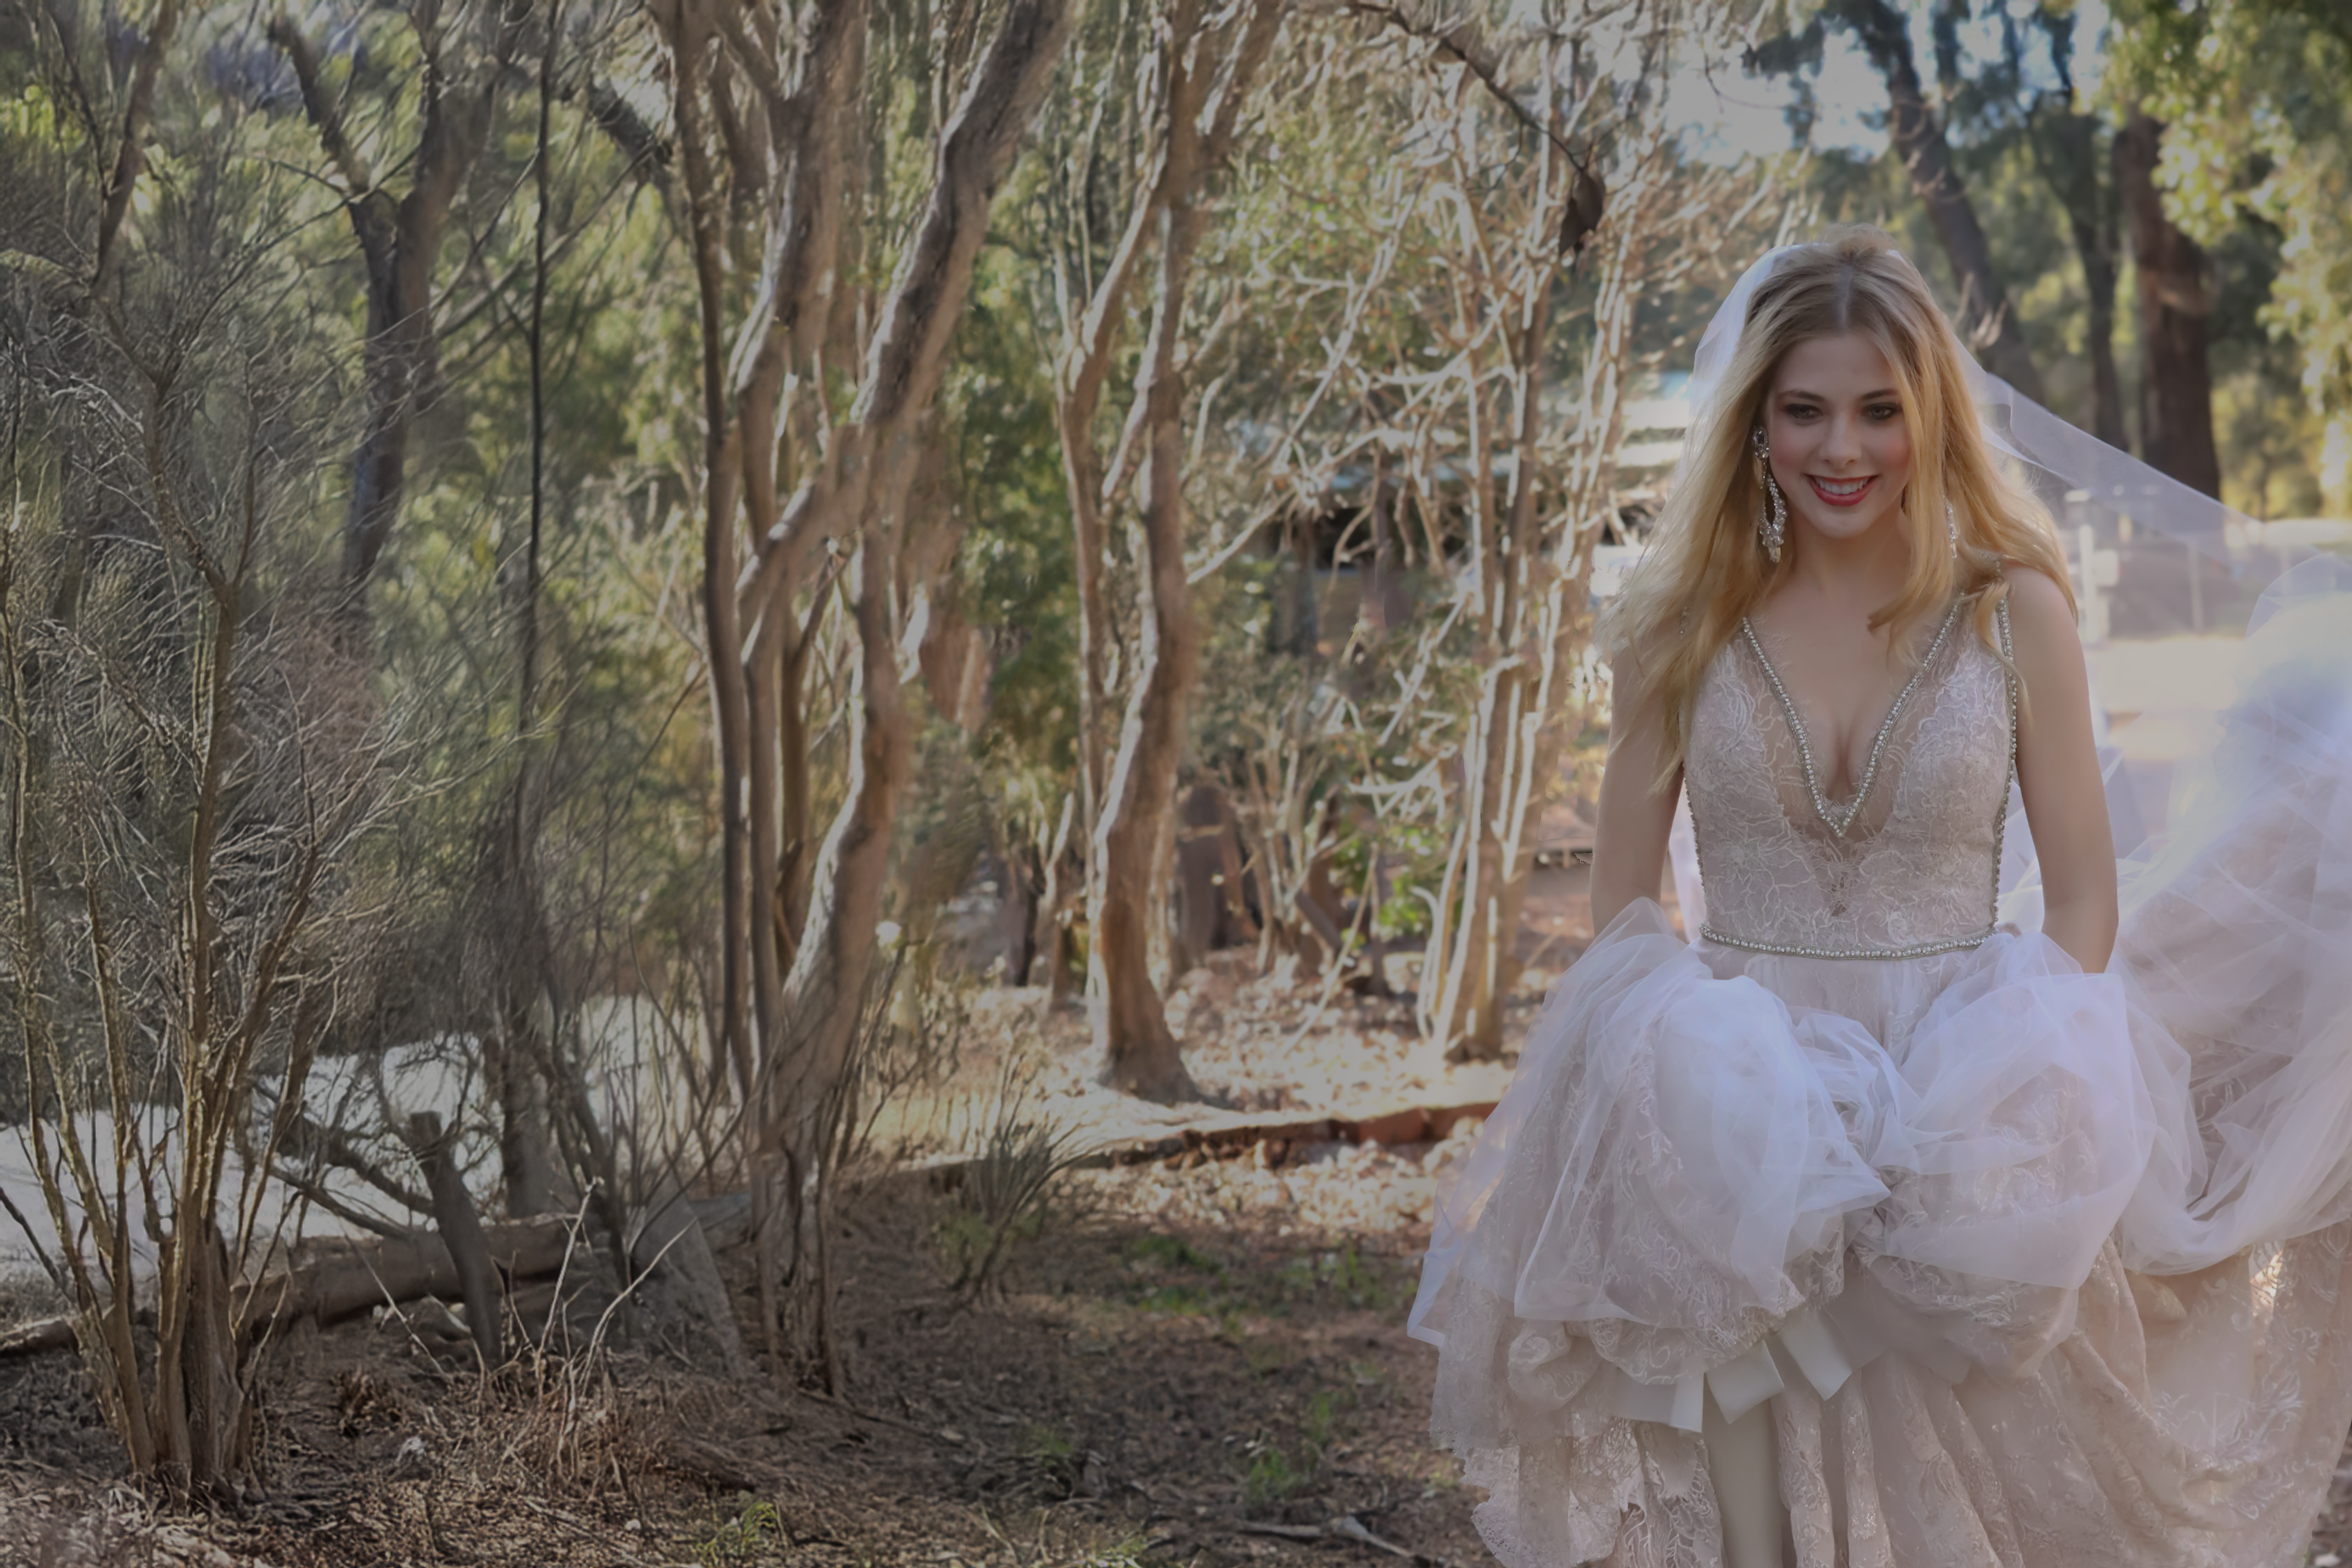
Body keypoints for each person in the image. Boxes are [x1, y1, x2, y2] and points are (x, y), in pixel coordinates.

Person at [1408, 227, 2352, 1568]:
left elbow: (2084, 903)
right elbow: (1625, 907)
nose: (1841, 449)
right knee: (1753, 1524)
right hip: (1736, 1128)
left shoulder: (2014, 610)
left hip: (1957, 1112)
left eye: (1878, 410)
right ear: (1755, 421)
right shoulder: (1680, 624)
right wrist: (1700, 1092)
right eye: (1804, 411)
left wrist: (2010, 1087)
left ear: (1931, 416)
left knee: (1963, 1503)